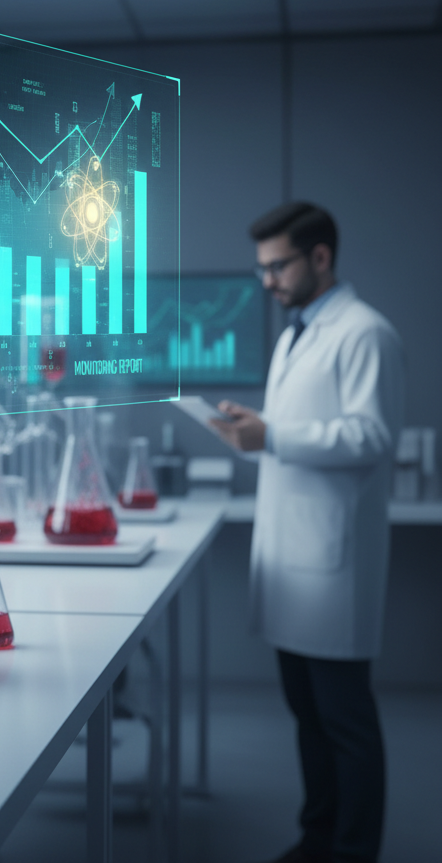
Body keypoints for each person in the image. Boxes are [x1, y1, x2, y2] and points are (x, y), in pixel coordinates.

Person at [211, 202, 404, 863]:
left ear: (320, 257)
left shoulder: (364, 332)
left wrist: (274, 434)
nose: (266, 280)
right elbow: (312, 425)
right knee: (308, 714)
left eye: (276, 266)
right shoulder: (300, 331)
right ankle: (317, 837)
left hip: (333, 564)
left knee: (345, 723)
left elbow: (372, 436)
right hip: (295, 561)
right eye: (261, 268)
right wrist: (258, 425)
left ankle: (353, 851)